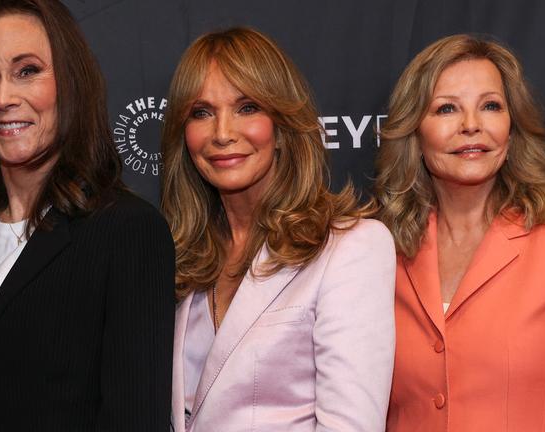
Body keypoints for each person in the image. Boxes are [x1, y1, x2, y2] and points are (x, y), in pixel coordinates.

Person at [0, 1, 174, 430]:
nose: (3, 98)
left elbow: (136, 419)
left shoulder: (127, 230)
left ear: (70, 81)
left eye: (27, 70)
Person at [373, 34, 545, 431]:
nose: (471, 126)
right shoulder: (379, 250)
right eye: (446, 109)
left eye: (490, 106)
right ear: (415, 132)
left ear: (512, 128)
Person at [161, 27, 396, 431]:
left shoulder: (352, 248)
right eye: (201, 112)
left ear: (283, 125)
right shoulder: (182, 257)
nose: (222, 133)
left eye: (247, 107)